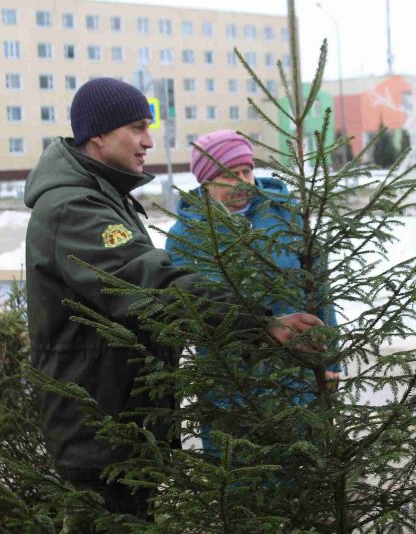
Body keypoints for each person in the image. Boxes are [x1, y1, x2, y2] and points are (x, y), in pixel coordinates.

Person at [24, 79, 322, 519]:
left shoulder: (105, 197)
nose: (148, 141)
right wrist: (258, 325)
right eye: (137, 127)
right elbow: (150, 285)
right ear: (98, 135)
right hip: (98, 430)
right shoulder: (74, 208)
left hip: (120, 423)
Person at [164, 129, 340, 452]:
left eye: (247, 171)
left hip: (296, 378)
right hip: (229, 388)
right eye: (230, 175)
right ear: (205, 181)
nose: (243, 182)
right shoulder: (184, 236)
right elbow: (190, 308)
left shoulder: (285, 216)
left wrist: (330, 363)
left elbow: (320, 292)